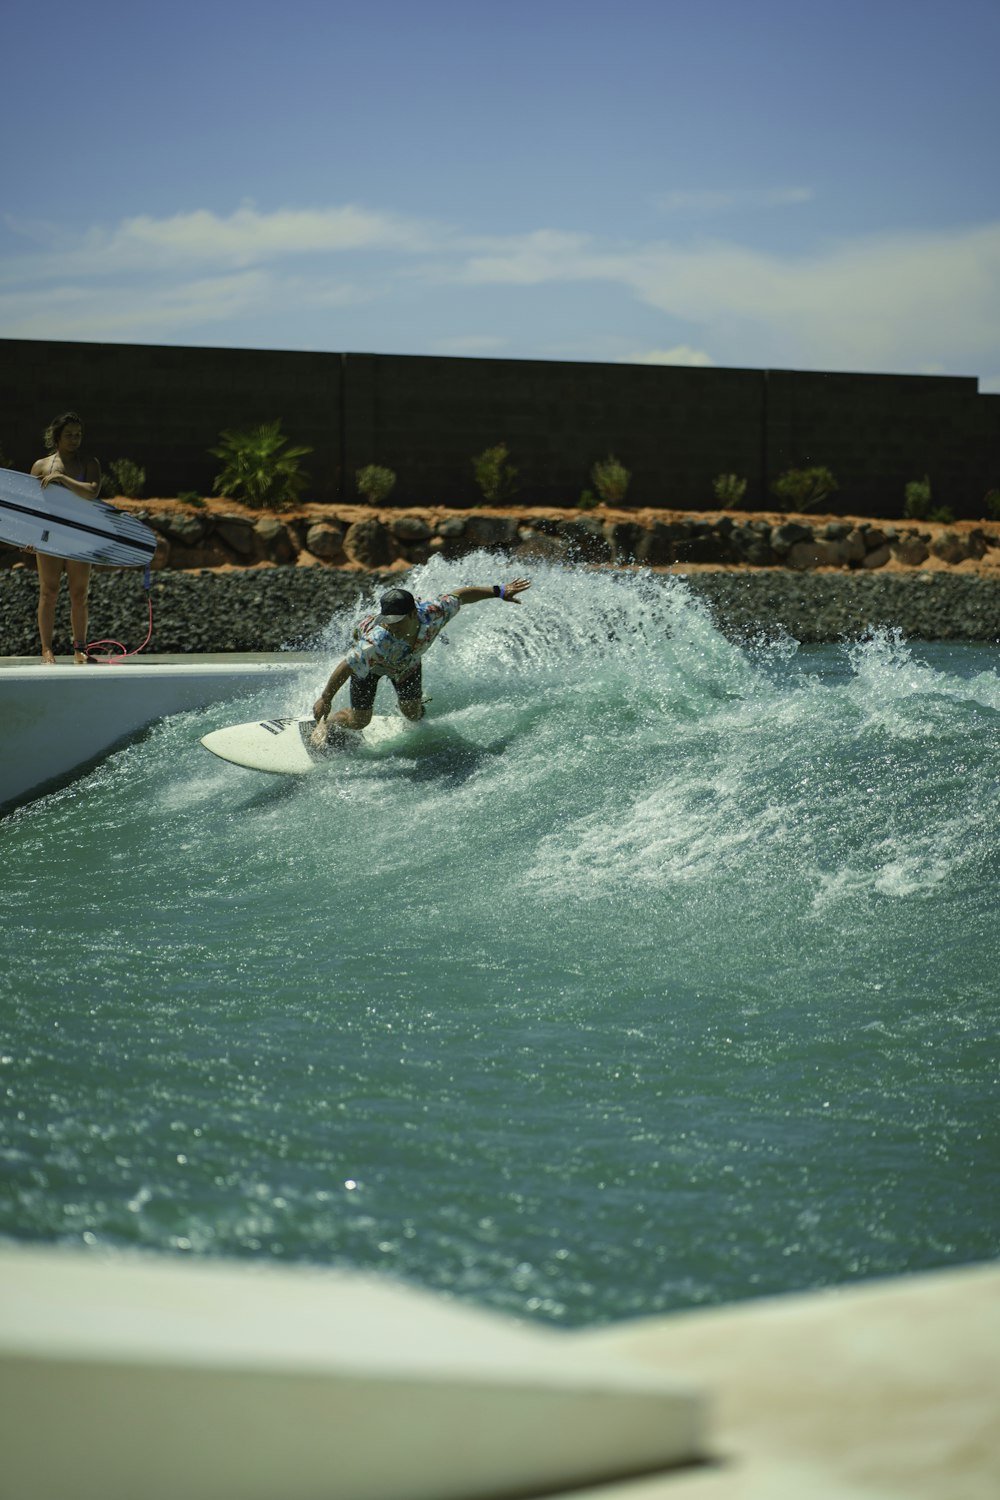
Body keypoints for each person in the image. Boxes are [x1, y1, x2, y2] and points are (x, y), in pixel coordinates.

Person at [312, 578, 531, 744]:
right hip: (372, 668)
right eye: (386, 620)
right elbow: (346, 666)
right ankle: (329, 723)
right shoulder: (376, 641)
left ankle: (416, 703)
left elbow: (462, 595)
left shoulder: (434, 613)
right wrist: (325, 698)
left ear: (412, 615)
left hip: (408, 665)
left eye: (395, 620)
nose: (390, 625)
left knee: (413, 715)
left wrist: (499, 592)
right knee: (360, 721)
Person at [30, 411, 103, 664]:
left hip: (79, 534)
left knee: (79, 593)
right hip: (49, 536)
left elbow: (92, 492)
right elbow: (31, 504)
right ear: (57, 437)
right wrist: (29, 536)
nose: (74, 439)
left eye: (78, 435)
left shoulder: (89, 464)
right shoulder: (41, 466)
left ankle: (80, 648)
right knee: (48, 592)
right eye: (69, 435)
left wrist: (62, 478)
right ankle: (47, 649)